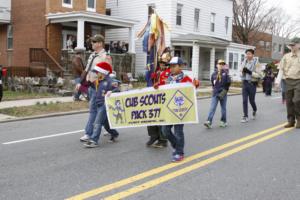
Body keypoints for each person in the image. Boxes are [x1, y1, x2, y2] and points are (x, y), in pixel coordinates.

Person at [159, 57, 198, 162]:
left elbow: (193, 88)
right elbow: (161, 89)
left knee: (178, 132)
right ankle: (177, 145)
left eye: (174, 66)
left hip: (180, 110)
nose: (171, 68)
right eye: (170, 66)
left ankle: (179, 152)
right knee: (165, 130)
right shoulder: (167, 79)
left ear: (180, 67)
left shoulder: (185, 78)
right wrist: (156, 87)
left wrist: (196, 85)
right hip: (168, 109)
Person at [76, 34, 113, 142]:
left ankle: (89, 133)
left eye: (94, 42)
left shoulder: (106, 57)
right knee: (97, 111)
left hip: (100, 88)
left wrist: (108, 88)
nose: (91, 44)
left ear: (100, 43)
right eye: (92, 42)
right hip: (91, 86)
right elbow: (86, 70)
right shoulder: (92, 55)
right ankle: (112, 131)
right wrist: (80, 83)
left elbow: (109, 73)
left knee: (96, 111)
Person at [84, 62, 119, 148]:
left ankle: (94, 140)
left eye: (97, 72)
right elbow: (90, 87)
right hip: (97, 103)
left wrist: (112, 91)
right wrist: (87, 81)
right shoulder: (97, 81)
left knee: (97, 122)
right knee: (105, 123)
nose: (96, 73)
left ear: (103, 72)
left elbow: (118, 89)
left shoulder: (110, 81)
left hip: (105, 104)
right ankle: (114, 133)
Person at [275, 38, 300, 129]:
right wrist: (277, 82)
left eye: (294, 45)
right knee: (289, 102)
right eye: (291, 45)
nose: (292, 47)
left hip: (298, 81)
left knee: (296, 100)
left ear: (298, 45)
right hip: (288, 81)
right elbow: (281, 69)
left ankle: (299, 119)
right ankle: (291, 121)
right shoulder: (286, 56)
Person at [204, 59, 231, 129]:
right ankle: (209, 121)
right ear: (217, 65)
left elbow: (228, 83)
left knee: (223, 108)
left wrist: (224, 91)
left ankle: (223, 121)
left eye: (223, 64)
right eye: (220, 64)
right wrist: (215, 90)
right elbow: (213, 83)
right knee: (212, 108)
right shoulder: (213, 74)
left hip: (223, 93)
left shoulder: (226, 73)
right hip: (215, 93)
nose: (221, 65)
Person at [240, 49, 262, 123]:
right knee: (244, 100)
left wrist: (249, 72)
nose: (247, 55)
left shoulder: (257, 63)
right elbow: (240, 72)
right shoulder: (244, 62)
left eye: (249, 54)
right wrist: (242, 72)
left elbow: (259, 75)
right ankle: (245, 116)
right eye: (246, 54)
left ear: (253, 55)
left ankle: (254, 110)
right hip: (245, 83)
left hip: (252, 84)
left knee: (251, 100)